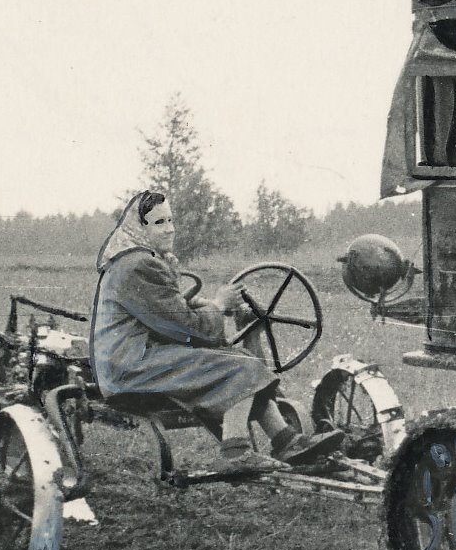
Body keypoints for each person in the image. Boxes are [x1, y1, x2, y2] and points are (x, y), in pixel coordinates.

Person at [91, 191, 341, 467]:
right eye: (159, 223)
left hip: (139, 358)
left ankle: (286, 441)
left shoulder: (140, 261)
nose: (170, 229)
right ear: (139, 228)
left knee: (243, 361)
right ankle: (236, 453)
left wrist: (216, 306)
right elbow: (185, 327)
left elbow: (172, 306)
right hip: (131, 366)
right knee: (239, 368)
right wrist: (219, 305)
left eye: (171, 220)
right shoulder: (137, 266)